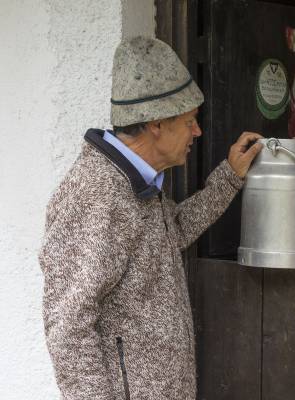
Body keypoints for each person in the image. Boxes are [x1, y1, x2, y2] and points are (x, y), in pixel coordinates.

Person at [39, 36, 262, 400]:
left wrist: (229, 176)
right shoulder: (96, 194)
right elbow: (68, 327)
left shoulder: (136, 182)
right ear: (157, 124)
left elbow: (171, 231)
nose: (198, 131)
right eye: (190, 121)